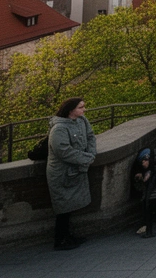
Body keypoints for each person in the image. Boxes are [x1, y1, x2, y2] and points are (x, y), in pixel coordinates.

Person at [47, 97, 96, 250]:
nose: (84, 110)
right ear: (71, 110)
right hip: (62, 174)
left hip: (76, 170)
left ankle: (68, 236)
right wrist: (86, 158)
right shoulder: (59, 128)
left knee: (70, 207)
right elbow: (63, 151)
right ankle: (60, 240)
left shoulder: (82, 121)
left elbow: (90, 136)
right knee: (63, 209)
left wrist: (91, 153)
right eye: (81, 107)